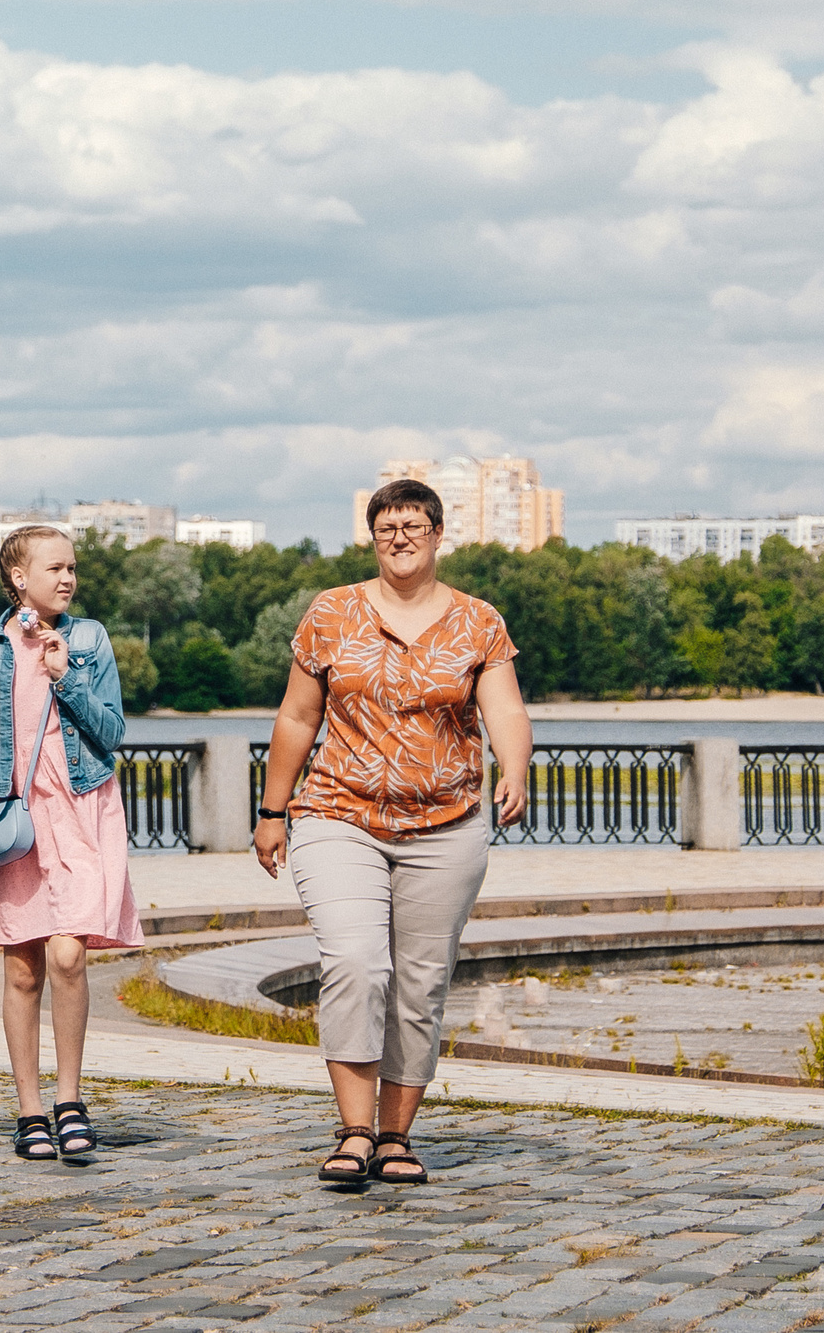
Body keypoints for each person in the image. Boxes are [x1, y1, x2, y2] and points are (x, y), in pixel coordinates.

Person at [253, 477, 531, 1186]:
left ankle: (395, 1134)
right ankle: (352, 1130)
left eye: (412, 525)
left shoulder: (478, 621)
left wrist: (515, 769)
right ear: (373, 538)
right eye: (386, 528)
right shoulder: (331, 613)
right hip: (338, 815)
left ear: (438, 535)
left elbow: (505, 710)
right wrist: (272, 810)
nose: (399, 538)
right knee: (355, 961)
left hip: (446, 825)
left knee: (420, 981)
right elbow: (295, 716)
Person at [0, 526, 139, 1162]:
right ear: (17, 577)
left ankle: (71, 1099)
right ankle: (30, 1109)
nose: (68, 578)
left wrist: (66, 678)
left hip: (81, 805)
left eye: (73, 568)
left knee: (68, 954)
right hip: (12, 813)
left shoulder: (88, 639)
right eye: (56, 568)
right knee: (21, 964)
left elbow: (112, 731)